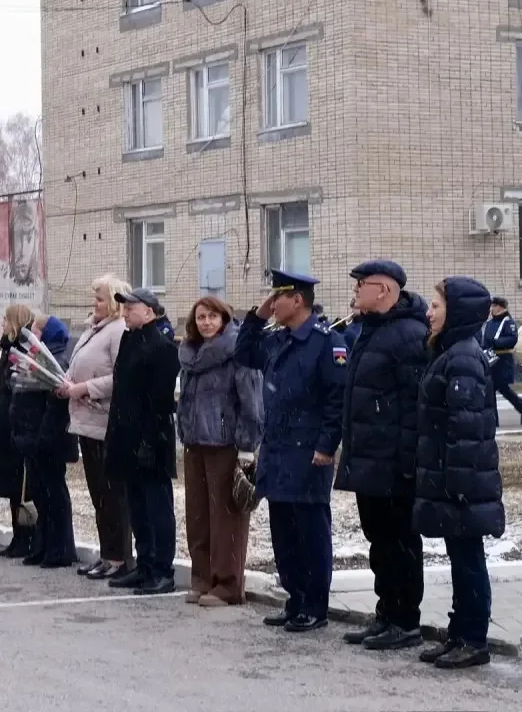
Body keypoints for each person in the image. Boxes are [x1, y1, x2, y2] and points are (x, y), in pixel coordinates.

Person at [235, 269, 347, 632]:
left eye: (278, 296)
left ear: (297, 300)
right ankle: (295, 599)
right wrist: (257, 316)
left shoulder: (326, 342)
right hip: (278, 450)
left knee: (311, 531)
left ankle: (315, 605)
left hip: (309, 452)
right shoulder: (278, 338)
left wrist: (327, 446)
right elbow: (244, 352)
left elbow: (336, 400)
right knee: (283, 531)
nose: (273, 302)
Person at [334, 260, 430, 650]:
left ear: (385, 291)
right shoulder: (372, 331)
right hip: (370, 459)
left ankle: (406, 620)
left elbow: (413, 409)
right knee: (379, 542)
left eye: (362, 285)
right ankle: (386, 612)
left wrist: (407, 464)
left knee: (400, 543)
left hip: (393, 464)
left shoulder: (408, 335)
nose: (355, 291)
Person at [414, 277, 504, 669]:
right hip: (455, 479)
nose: (429, 312)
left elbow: (465, 427)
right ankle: (459, 633)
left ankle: (474, 639)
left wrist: (458, 485)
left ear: (459, 312)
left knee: (468, 561)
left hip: (464, 482)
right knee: (460, 559)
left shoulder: (463, 357)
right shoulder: (451, 352)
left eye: (436, 305)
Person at [176, 296, 262, 607]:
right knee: (198, 515)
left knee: (226, 517)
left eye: (213, 316)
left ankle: (228, 585)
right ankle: (203, 578)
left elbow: (251, 400)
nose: (207, 322)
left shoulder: (238, 352)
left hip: (226, 445)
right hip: (195, 443)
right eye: (201, 317)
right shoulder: (190, 355)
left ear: (224, 319)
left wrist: (247, 447)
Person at [104, 287, 180, 594]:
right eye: (124, 308)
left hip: (152, 439)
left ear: (148, 311)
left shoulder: (161, 346)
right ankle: (145, 563)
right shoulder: (129, 339)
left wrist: (150, 440)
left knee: (157, 507)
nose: (125, 312)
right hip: (127, 436)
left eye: (130, 308)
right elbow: (123, 391)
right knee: (137, 506)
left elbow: (161, 401)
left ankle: (162, 569)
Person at [61, 274, 131, 580]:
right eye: (95, 297)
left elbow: (120, 378)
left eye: (101, 298)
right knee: (98, 494)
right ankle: (106, 554)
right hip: (86, 422)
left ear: (116, 301)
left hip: (104, 422)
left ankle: (118, 557)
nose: (95, 303)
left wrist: (85, 387)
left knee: (113, 495)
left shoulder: (118, 331)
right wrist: (67, 383)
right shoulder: (94, 329)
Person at [14, 314, 77, 568]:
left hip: (50, 436)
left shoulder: (55, 359)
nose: (32, 335)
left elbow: (54, 403)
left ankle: (61, 549)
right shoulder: (42, 356)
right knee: (40, 493)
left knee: (54, 493)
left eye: (36, 331)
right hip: (35, 435)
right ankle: (44, 545)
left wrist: (43, 435)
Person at [0, 304, 36, 558]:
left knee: (21, 484)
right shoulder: (7, 348)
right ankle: (18, 535)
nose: (2, 322)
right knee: (10, 483)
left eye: (5, 319)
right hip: (4, 421)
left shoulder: (22, 349)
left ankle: (27, 536)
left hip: (17, 423)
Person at [483, 296, 522, 425]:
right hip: (491, 360)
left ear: (500, 307)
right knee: (495, 390)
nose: (491, 308)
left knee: (501, 389)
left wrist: (497, 342)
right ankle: (521, 410)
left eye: (494, 305)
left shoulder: (508, 322)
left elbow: (512, 339)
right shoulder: (490, 323)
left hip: (503, 361)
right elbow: (486, 340)